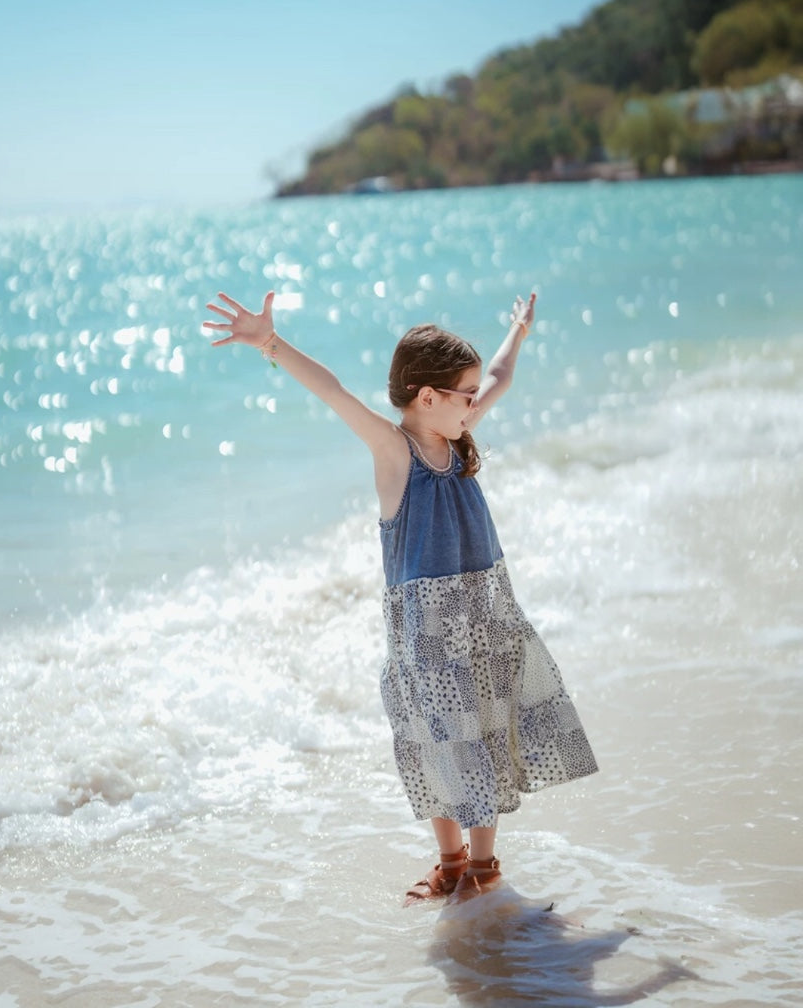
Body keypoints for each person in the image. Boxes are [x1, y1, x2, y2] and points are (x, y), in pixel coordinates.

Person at [203, 289, 598, 905]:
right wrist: (270, 344)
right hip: (428, 635)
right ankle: (450, 860)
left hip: (483, 616)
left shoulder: (458, 438)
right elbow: (335, 392)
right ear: (428, 397)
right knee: (438, 738)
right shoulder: (397, 453)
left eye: (473, 396)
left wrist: (517, 333)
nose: (476, 402)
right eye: (465, 395)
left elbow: (498, 377)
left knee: (487, 731)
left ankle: (484, 866)